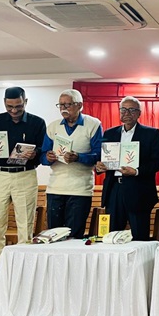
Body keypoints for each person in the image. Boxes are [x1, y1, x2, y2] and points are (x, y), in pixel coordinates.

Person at [0, 87, 46, 296]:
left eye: (18, 106)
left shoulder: (37, 122)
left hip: (25, 174)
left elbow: (43, 152)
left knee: (25, 227)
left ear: (26, 101)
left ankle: (23, 281)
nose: (14, 111)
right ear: (4, 103)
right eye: (9, 107)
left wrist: (35, 153)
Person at [96, 96, 159, 240]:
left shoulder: (151, 133)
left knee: (140, 236)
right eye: (123, 109)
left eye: (132, 110)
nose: (127, 113)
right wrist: (99, 166)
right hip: (114, 189)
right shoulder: (109, 133)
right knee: (112, 236)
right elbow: (101, 158)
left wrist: (137, 171)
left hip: (139, 190)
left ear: (139, 113)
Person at [41, 89, 103, 238]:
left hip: (80, 190)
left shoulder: (93, 124)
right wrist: (48, 157)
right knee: (53, 235)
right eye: (60, 105)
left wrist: (78, 157)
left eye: (67, 105)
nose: (63, 108)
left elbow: (99, 155)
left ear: (79, 105)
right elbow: (42, 156)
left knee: (74, 235)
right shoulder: (53, 126)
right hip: (55, 188)